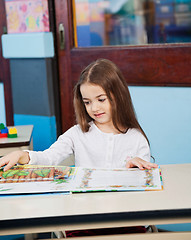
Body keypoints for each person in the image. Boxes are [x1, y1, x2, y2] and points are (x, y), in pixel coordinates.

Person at [0, 58, 157, 172]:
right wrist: (21, 155)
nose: (94, 108)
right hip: (86, 208)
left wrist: (138, 167)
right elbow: (49, 157)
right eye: (87, 102)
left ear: (119, 95)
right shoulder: (77, 134)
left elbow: (144, 180)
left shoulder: (136, 138)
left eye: (101, 99)